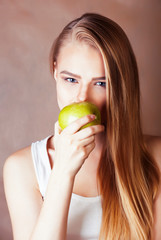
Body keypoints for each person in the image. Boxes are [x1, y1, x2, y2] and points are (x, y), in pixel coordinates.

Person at [3, 13, 161, 240]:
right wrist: (63, 173)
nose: (82, 98)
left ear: (121, 86)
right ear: (55, 71)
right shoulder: (23, 168)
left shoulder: (156, 157)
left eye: (100, 83)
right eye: (71, 80)